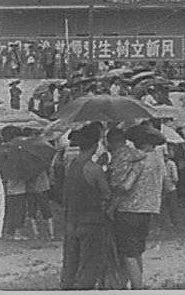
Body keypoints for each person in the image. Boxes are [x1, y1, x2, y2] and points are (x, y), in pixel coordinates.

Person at [111, 123, 166, 290]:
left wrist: (114, 185)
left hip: (129, 210)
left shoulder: (138, 160)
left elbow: (126, 186)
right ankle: (138, 283)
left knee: (128, 253)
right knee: (137, 251)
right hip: (149, 209)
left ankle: (137, 287)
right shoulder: (158, 159)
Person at [60, 123, 111, 289]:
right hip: (91, 221)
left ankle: (66, 287)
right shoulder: (94, 169)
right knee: (89, 264)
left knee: (70, 262)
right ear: (96, 145)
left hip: (71, 220)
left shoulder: (72, 164)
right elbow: (106, 194)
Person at [1, 125, 28, 240]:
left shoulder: (2, 150)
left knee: (10, 209)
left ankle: (9, 231)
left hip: (6, 184)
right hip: (18, 186)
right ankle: (17, 232)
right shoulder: (16, 150)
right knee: (19, 210)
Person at [26, 169, 55, 239]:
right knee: (46, 210)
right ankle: (51, 233)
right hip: (42, 189)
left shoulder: (27, 167)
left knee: (32, 211)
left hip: (32, 190)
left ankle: (36, 232)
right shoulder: (41, 164)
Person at [162, 151, 179, 226]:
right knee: (172, 206)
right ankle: (173, 221)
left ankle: (164, 221)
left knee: (163, 206)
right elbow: (175, 178)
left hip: (162, 186)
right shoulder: (171, 164)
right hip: (171, 187)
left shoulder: (160, 164)